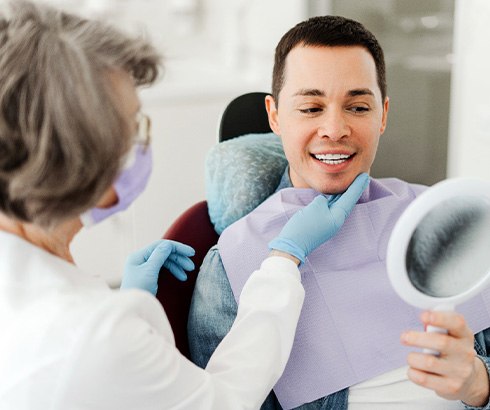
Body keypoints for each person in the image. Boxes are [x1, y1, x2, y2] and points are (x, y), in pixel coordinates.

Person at [0, 3, 370, 409]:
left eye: (358, 106)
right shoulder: (96, 333)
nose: (334, 129)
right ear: (81, 158)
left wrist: (128, 301)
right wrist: (284, 259)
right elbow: (224, 402)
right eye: (133, 127)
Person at [188, 15, 490, 410]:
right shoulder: (233, 264)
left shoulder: (444, 225)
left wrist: (479, 384)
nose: (335, 128)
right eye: (311, 108)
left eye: (358, 106)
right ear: (275, 115)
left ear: (382, 114)